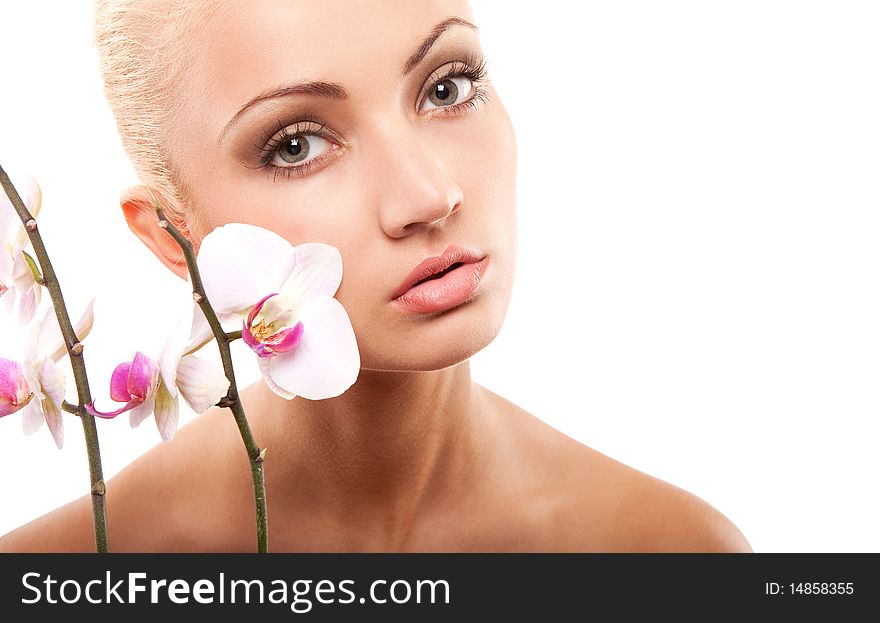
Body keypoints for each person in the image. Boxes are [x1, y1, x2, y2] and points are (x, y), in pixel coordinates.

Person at [0, 0, 751, 552]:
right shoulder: (66, 571)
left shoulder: (674, 554)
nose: (428, 196)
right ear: (173, 236)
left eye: (447, 86)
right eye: (295, 145)